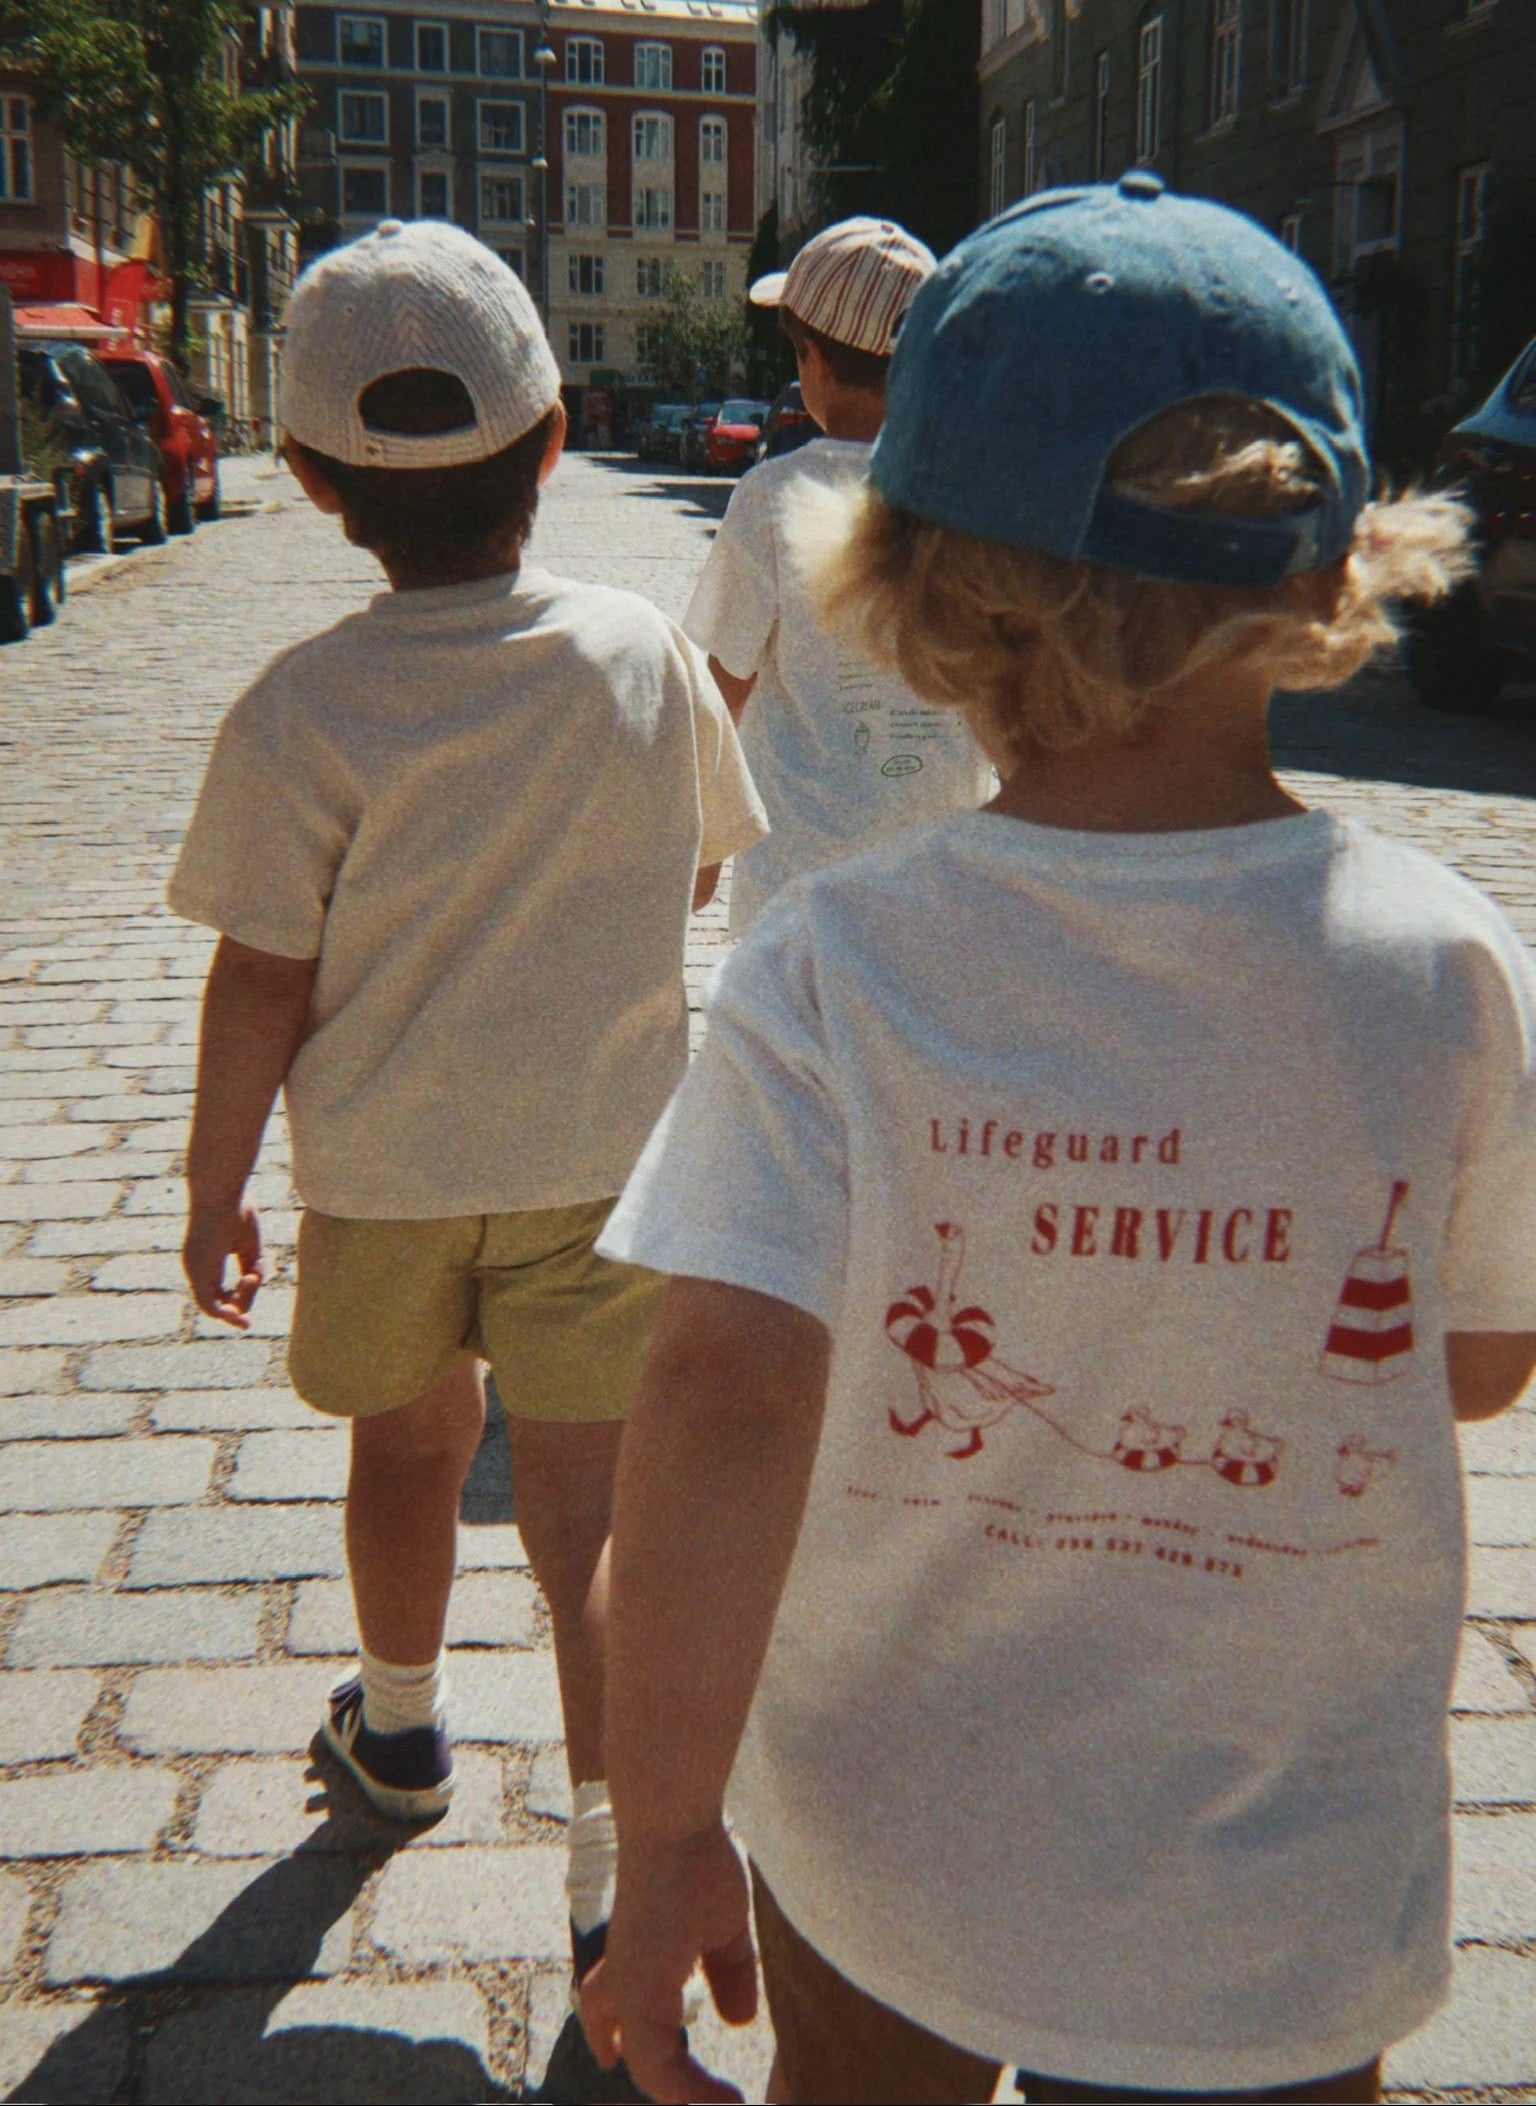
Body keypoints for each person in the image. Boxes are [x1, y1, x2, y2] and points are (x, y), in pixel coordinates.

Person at [581, 177, 1536, 2106]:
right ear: (1331, 568)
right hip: (1272, 1875)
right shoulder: (1446, 964)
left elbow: (723, 1388)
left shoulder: (831, 965)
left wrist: (669, 1820)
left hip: (890, 1834)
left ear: (915, 582)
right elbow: (1483, 1354)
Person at [169, 219, 766, 2040]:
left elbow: (260, 981)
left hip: (384, 1182)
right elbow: (688, 869)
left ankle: (402, 1717)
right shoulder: (643, 658)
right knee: (588, 1516)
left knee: (408, 1451)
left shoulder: (299, 712)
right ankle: (608, 1858)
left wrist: (213, 1184)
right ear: (558, 436)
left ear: (309, 480)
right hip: (602, 1164)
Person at [684, 217, 994, 936]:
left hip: (800, 876)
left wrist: (702, 847)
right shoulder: (971, 501)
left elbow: (721, 687)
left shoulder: (769, 497)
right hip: (940, 870)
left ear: (813, 363)